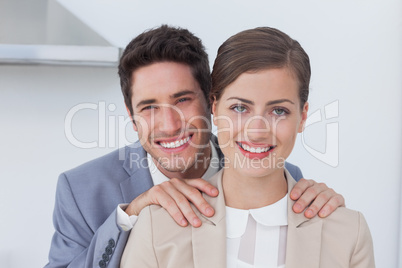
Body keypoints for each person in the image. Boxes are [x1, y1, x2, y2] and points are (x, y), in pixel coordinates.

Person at [45, 25, 346, 268]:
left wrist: (324, 209)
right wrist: (131, 215)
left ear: (211, 102)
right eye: (149, 107)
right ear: (131, 116)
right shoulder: (80, 191)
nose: (170, 125)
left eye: (182, 100)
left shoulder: (273, 169)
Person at [120, 27, 375, 267]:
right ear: (214, 108)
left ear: (303, 116)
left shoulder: (348, 232)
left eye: (279, 110)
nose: (256, 131)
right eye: (240, 108)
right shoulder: (157, 227)